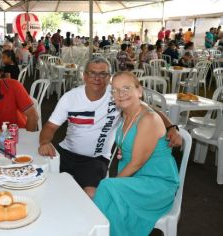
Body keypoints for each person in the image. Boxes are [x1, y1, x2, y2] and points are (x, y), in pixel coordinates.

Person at [38, 58, 181, 197]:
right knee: (42, 182)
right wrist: (45, 142)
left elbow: (151, 111)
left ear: (109, 77)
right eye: (92, 73)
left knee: (90, 195)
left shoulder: (118, 96)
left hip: (95, 159)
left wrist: (171, 127)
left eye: (103, 74)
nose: (97, 78)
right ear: (84, 76)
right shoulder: (70, 98)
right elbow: (50, 127)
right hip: (66, 152)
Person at [93, 72, 179, 236]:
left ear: (139, 91)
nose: (120, 94)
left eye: (126, 88)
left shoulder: (147, 119)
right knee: (106, 197)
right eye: (115, 90)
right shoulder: (126, 113)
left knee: (106, 188)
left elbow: (136, 164)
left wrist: (113, 186)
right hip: (136, 179)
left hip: (157, 184)